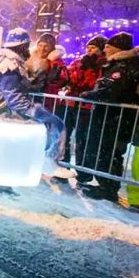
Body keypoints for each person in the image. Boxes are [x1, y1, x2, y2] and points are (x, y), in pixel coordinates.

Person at [0, 28, 75, 179]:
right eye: (26, 46)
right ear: (21, 46)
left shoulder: (13, 62)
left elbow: (18, 88)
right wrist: (35, 111)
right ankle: (47, 160)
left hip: (3, 110)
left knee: (9, 148)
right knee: (52, 123)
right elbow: (13, 97)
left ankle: (6, 179)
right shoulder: (10, 66)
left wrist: (36, 80)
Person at [80, 32, 139, 202]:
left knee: (110, 152)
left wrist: (90, 95)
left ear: (117, 49)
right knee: (106, 151)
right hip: (111, 118)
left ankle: (108, 189)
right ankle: (104, 184)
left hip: (115, 119)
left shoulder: (123, 67)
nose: (105, 50)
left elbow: (114, 92)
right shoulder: (118, 65)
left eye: (108, 47)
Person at [61, 35, 106, 184]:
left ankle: (83, 173)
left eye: (94, 48)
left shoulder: (103, 65)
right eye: (88, 47)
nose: (90, 50)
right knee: (64, 136)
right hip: (71, 104)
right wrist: (81, 68)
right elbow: (71, 79)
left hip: (87, 108)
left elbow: (95, 85)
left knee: (82, 140)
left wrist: (92, 68)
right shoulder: (79, 62)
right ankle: (63, 167)